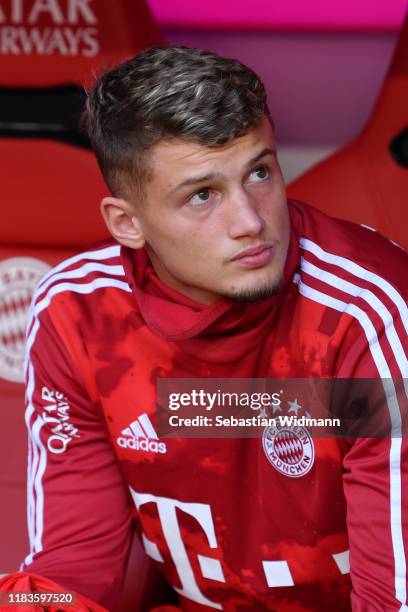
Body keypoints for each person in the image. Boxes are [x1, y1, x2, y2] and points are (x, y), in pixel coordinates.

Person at [1, 45, 407, 611]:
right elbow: (75, 566)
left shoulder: (365, 313)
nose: (251, 222)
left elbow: (395, 598)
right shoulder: (79, 313)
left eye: (260, 172)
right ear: (127, 222)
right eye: (202, 195)